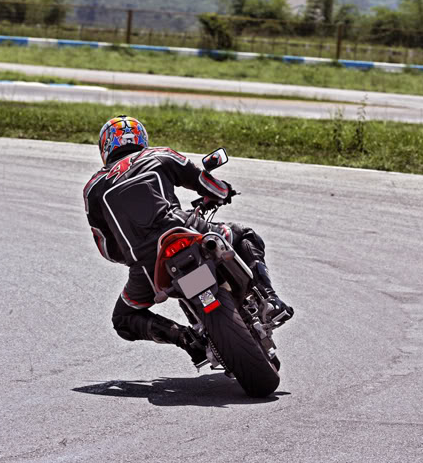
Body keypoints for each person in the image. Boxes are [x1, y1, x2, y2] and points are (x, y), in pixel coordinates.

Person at [83, 115, 293, 366]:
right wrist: (223, 191)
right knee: (243, 234)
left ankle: (186, 338)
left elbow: (107, 248)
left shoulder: (93, 187)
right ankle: (270, 299)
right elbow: (205, 183)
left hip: (146, 266)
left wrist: (132, 253)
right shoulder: (160, 155)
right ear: (142, 138)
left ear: (105, 147)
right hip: (185, 228)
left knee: (123, 317)